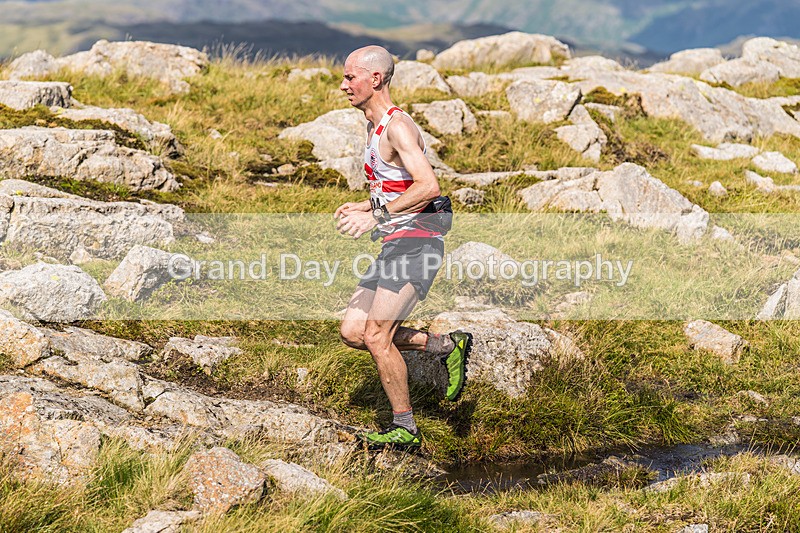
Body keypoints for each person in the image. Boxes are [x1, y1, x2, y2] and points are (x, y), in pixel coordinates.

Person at [335, 45, 472, 449]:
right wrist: (364, 204)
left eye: (350, 77)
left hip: (418, 243)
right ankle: (446, 345)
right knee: (353, 331)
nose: (344, 85)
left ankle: (405, 429)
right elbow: (396, 184)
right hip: (396, 242)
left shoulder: (398, 127)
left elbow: (429, 186)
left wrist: (374, 216)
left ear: (375, 79)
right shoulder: (371, 126)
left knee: (377, 336)